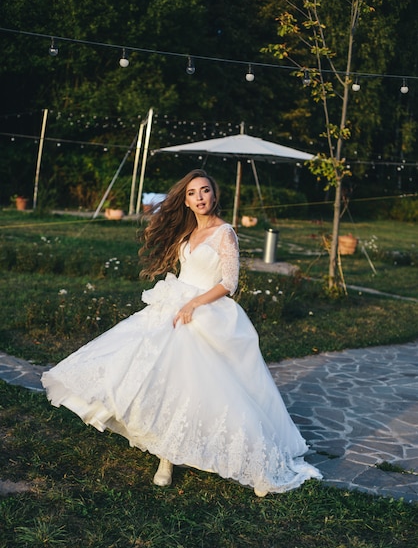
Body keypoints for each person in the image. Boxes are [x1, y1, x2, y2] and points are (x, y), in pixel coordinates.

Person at [42, 169, 321, 496]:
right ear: (186, 200)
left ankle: (170, 456)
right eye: (192, 193)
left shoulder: (225, 233)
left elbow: (229, 283)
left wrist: (192, 305)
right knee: (147, 370)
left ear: (214, 195)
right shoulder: (188, 233)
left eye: (205, 190)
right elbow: (186, 271)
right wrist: (177, 301)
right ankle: (162, 449)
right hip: (172, 305)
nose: (200, 197)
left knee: (191, 383)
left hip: (205, 311)